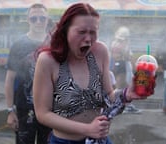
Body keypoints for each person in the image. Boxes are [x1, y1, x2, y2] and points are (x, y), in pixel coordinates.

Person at [33, 3, 153, 144]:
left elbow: (108, 96)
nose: (88, 39)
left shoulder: (100, 51)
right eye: (82, 32)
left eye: (93, 32)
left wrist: (126, 94)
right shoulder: (48, 61)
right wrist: (87, 129)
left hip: (98, 140)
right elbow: (43, 114)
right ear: (65, 30)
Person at [4, 3, 51, 144]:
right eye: (34, 18)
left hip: (50, 109)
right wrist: (10, 111)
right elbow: (9, 80)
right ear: (28, 20)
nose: (38, 22)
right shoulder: (19, 45)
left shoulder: (55, 43)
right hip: (25, 109)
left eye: (42, 18)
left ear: (47, 20)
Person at [109, 26, 142, 114]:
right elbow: (126, 56)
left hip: (118, 66)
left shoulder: (114, 42)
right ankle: (121, 105)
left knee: (122, 87)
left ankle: (123, 105)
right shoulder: (121, 44)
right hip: (121, 66)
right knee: (122, 87)